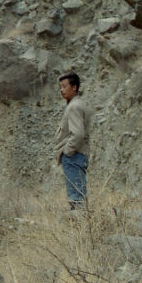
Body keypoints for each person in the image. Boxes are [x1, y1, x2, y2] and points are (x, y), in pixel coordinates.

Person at [53, 71, 93, 210]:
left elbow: (77, 134)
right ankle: (81, 226)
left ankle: (78, 225)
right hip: (77, 155)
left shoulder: (74, 106)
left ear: (74, 87)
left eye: (64, 86)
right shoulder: (78, 104)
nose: (62, 90)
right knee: (78, 193)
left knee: (76, 196)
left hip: (74, 156)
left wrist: (67, 152)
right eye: (61, 87)